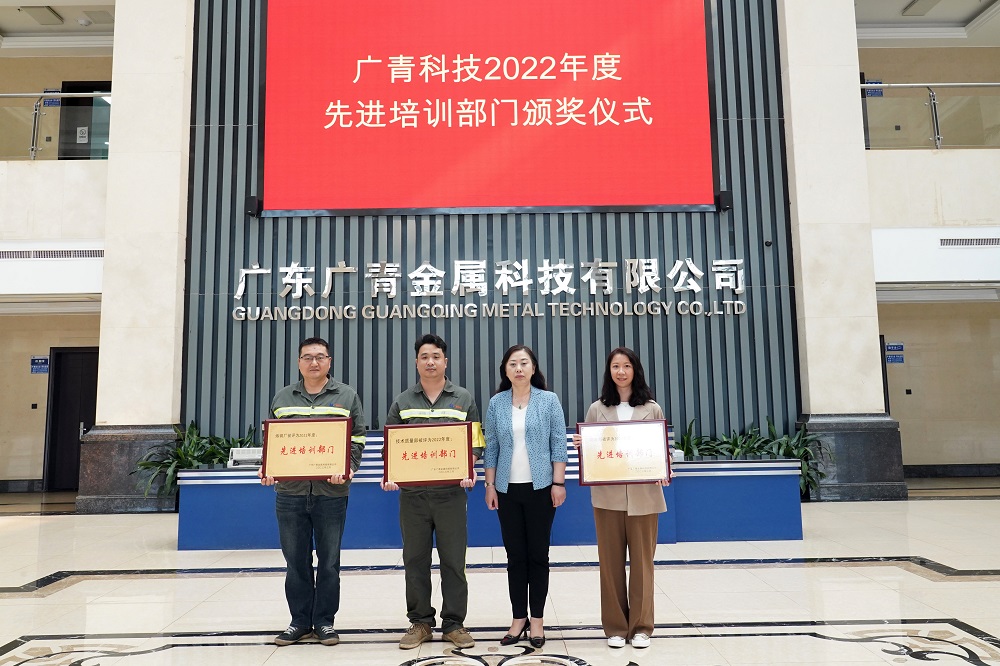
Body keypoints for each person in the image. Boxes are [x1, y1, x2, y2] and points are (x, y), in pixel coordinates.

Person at [258, 337, 366, 647]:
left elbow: (357, 438)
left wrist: (348, 467)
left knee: (329, 562)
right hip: (290, 493)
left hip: (331, 492)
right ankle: (300, 622)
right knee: (296, 562)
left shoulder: (346, 396)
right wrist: (268, 467)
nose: (314, 362)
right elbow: (273, 441)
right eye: (307, 357)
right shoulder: (282, 397)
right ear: (299, 363)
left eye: (320, 357)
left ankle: (325, 622)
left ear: (329, 361)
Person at [381, 334, 484, 650]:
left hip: (451, 495)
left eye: (436, 356)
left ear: (445, 361)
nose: (430, 362)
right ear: (416, 362)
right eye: (424, 356)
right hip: (412, 497)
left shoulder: (463, 398)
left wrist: (468, 467)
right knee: (415, 560)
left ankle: (454, 624)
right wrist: (391, 474)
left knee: (454, 561)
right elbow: (390, 446)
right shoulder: (402, 402)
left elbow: (476, 444)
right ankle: (421, 622)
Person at [574, 347, 668, 649]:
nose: (621, 371)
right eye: (616, 366)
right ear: (609, 372)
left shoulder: (652, 408)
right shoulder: (596, 409)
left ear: (635, 370)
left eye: (627, 366)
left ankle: (641, 627)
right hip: (608, 498)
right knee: (610, 564)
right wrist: (582, 444)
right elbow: (594, 453)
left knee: (642, 565)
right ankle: (615, 627)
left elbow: (661, 449)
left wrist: (664, 468)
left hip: (644, 497)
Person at [483, 344, 568, 649]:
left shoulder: (549, 400)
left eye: (524, 363)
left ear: (533, 368)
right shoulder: (496, 403)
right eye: (512, 364)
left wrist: (558, 482)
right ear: (505, 370)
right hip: (506, 490)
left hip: (542, 487)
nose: (518, 368)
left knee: (538, 556)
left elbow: (559, 442)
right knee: (515, 557)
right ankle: (518, 618)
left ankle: (538, 621)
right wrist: (489, 485)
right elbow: (491, 446)